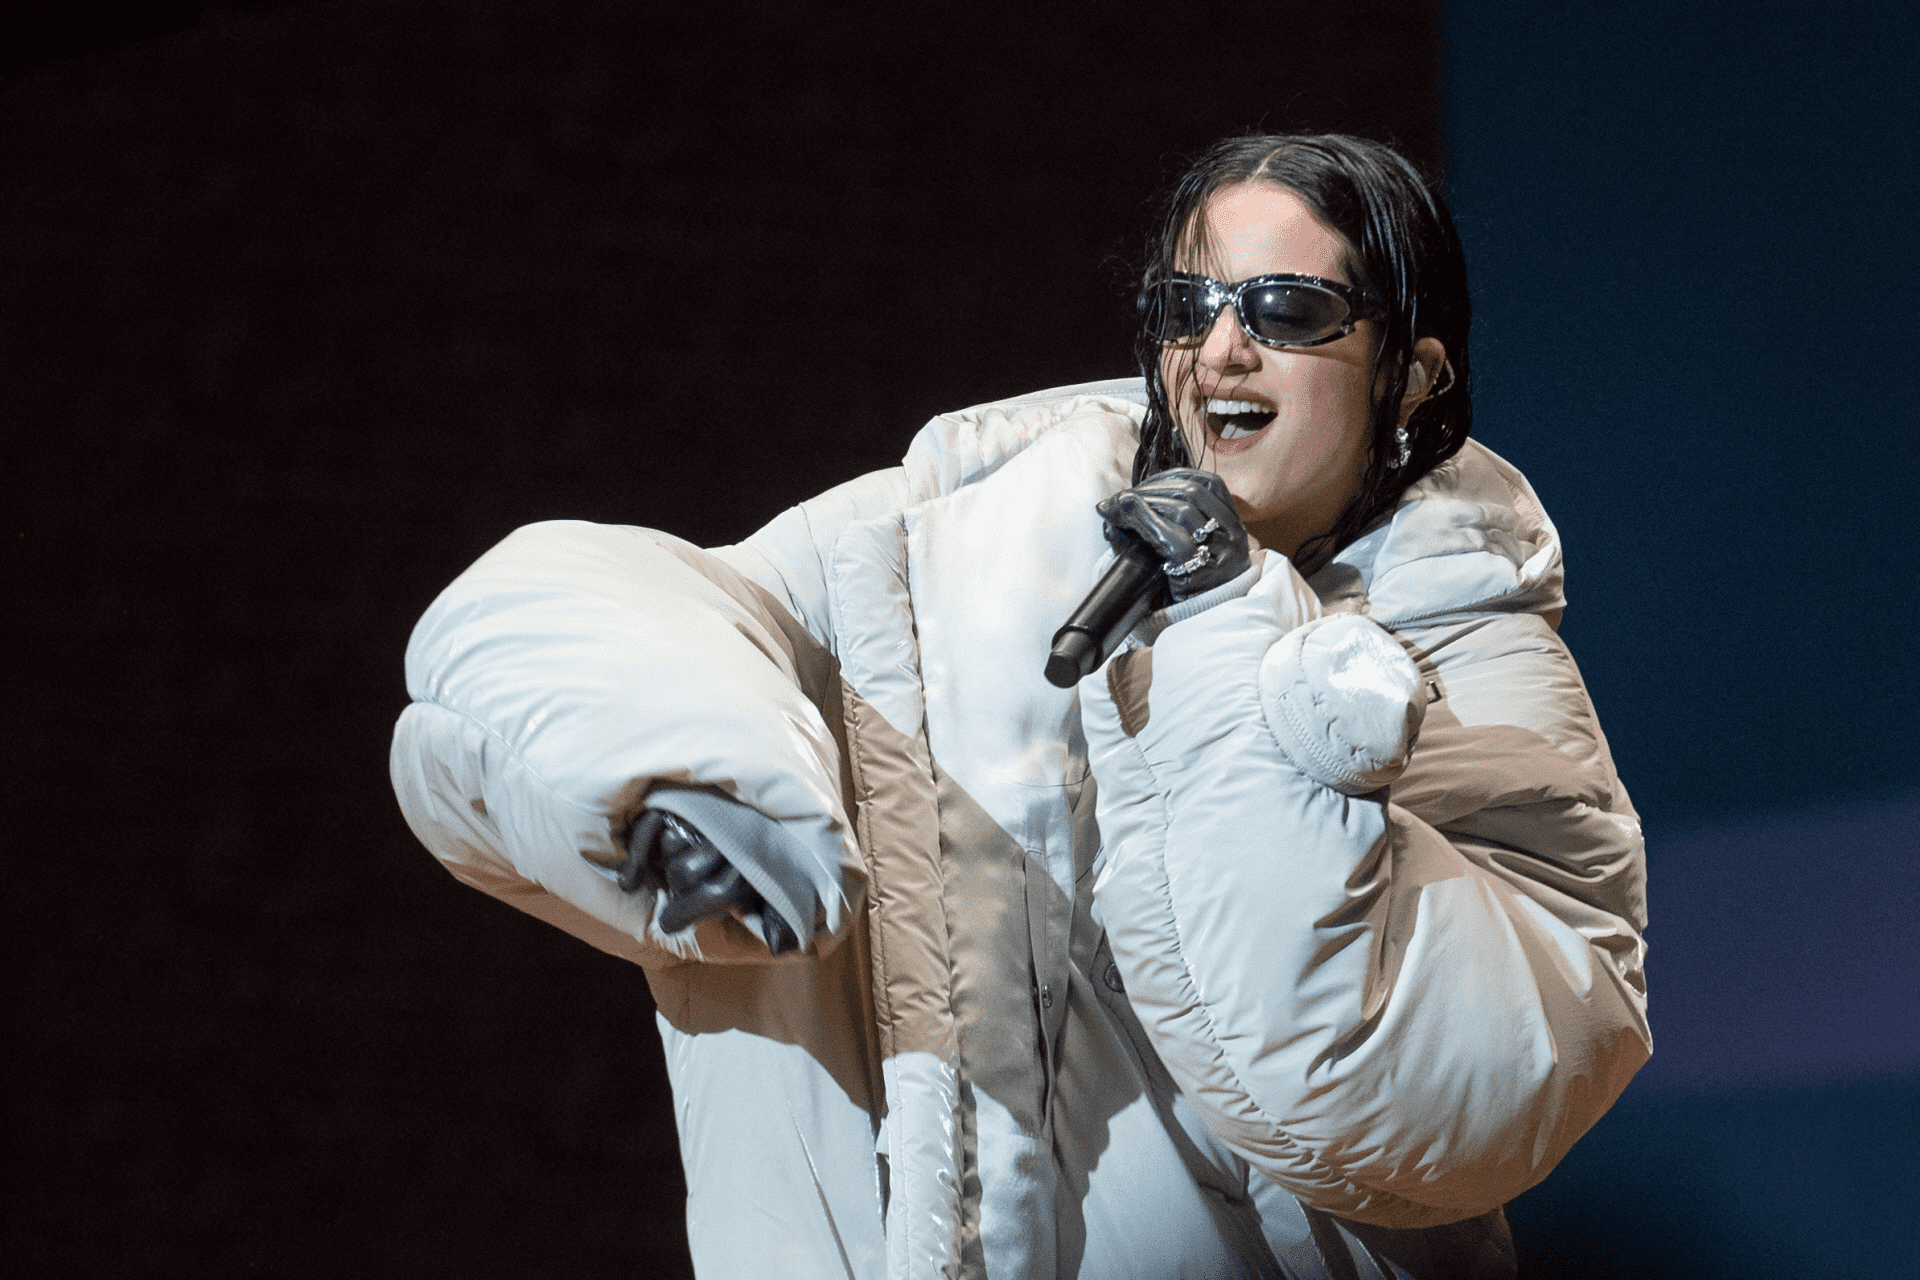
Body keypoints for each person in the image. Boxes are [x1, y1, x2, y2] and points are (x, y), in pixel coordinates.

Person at [391, 133, 1650, 1280]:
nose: (1222, 348)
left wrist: (1225, 633)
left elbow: (1441, 1095)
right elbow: (590, 613)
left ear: (1413, 372)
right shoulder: (938, 547)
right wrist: (683, 777)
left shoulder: (1473, 667)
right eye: (1188, 306)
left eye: (1288, 308)